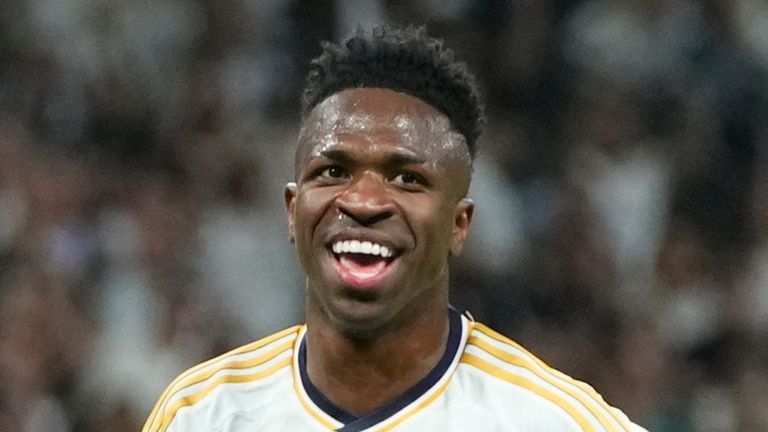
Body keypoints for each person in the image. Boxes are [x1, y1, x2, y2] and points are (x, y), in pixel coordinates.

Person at [142, 26, 647, 432]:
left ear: (459, 225)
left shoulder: (551, 420)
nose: (364, 202)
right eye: (333, 171)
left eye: (408, 179)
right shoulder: (202, 413)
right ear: (292, 210)